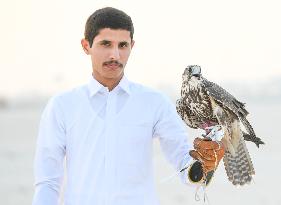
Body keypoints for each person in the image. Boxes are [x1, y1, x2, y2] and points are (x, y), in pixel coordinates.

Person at [32, 7, 224, 205]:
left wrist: (206, 162)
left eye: (122, 45)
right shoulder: (62, 106)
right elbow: (48, 182)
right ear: (86, 45)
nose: (115, 54)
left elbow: (186, 167)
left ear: (132, 45)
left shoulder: (154, 102)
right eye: (105, 44)